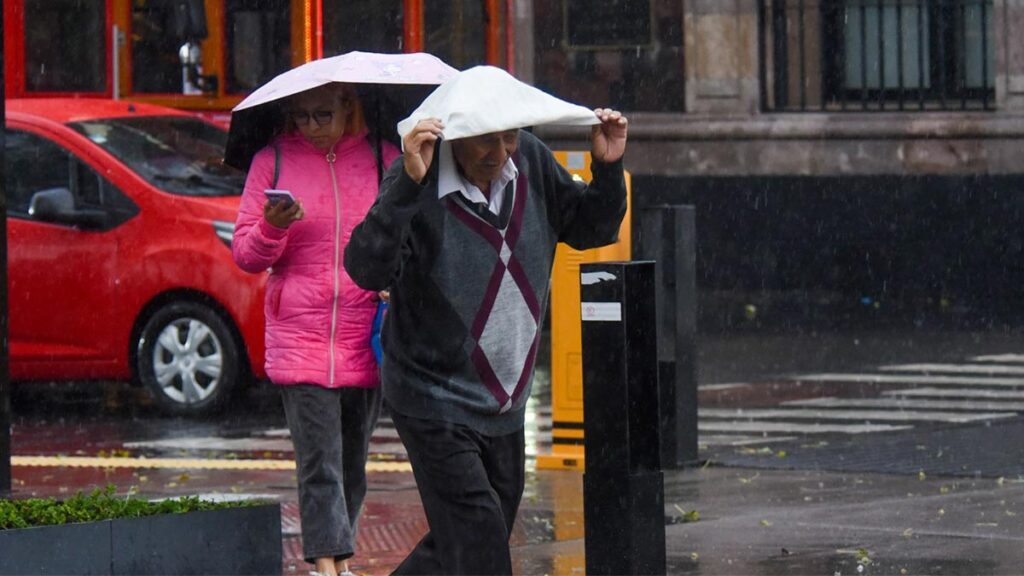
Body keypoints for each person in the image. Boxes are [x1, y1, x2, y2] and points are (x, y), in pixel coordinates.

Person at [344, 76, 629, 573]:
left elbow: (591, 228)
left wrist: (606, 169)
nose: (500, 152)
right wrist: (407, 185)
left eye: (510, 135)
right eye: (486, 139)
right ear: (455, 134)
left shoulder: (533, 161)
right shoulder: (418, 175)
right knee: (479, 546)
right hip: (432, 397)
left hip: (504, 399)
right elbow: (367, 268)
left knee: (466, 542)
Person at [232, 82, 399, 576]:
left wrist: (396, 280)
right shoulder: (274, 161)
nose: (311, 126)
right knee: (319, 464)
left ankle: (339, 561)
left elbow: (408, 234)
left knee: (352, 464)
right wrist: (271, 227)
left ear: (350, 107)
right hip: (300, 336)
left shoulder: (383, 159)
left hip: (364, 329)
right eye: (301, 116)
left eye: (323, 114)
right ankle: (326, 566)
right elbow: (245, 253)